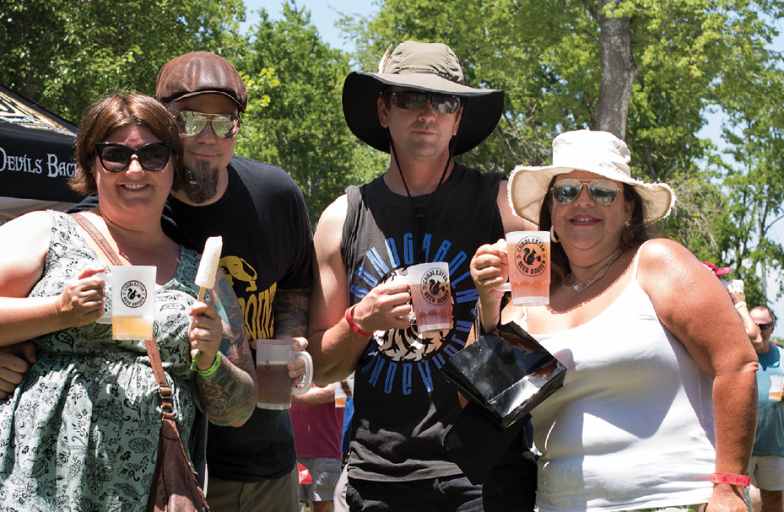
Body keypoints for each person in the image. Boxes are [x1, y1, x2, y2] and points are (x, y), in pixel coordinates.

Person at [0, 52, 315, 511]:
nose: (135, 170)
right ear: (92, 163)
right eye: (115, 155)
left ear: (172, 165)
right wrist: (57, 313)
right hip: (38, 491)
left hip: (154, 493)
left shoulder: (202, 274)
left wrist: (210, 362)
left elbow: (240, 404)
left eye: (151, 155)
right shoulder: (50, 231)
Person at [470, 129, 758, 512]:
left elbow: (736, 365)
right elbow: (482, 403)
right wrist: (489, 303)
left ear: (628, 210)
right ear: (551, 212)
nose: (582, 201)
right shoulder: (530, 301)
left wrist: (730, 485)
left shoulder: (655, 264)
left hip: (672, 501)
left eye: (603, 191)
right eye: (567, 191)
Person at [308, 40, 537, 511]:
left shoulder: (502, 205)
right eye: (409, 98)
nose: (427, 113)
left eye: (444, 101)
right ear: (383, 110)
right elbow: (323, 368)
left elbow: (580, 277)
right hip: (379, 474)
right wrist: (360, 320)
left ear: (458, 119)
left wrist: (502, 299)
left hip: (485, 470)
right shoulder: (342, 218)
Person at [748, 306, 784, 512]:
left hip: (774, 446)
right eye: (755, 325)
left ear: (773, 328)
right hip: (743, 447)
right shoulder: (739, 354)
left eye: (765, 326)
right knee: (746, 501)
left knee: (773, 504)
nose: (760, 330)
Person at [290, 383, 345, 512]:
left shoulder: (338, 364)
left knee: (321, 505)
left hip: (325, 450)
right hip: (290, 450)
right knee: (289, 505)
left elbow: (333, 391)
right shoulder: (292, 363)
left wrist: (286, 395)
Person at [701, 261, 762, 348]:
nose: (723, 282)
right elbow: (756, 340)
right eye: (718, 278)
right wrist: (740, 304)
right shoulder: (709, 319)